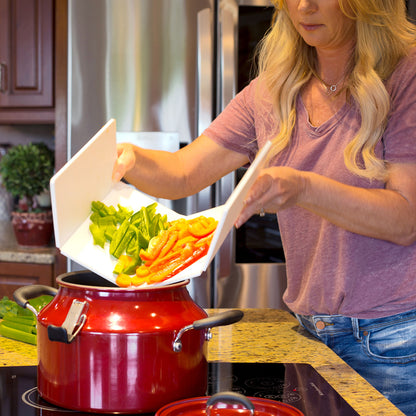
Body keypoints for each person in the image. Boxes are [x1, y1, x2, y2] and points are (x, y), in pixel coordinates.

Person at [112, 1, 416, 414]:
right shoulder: (274, 90)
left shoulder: (406, 75)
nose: (303, 6)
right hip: (310, 333)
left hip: (394, 341)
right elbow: (183, 173)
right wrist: (130, 158)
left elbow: (405, 219)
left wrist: (301, 187)